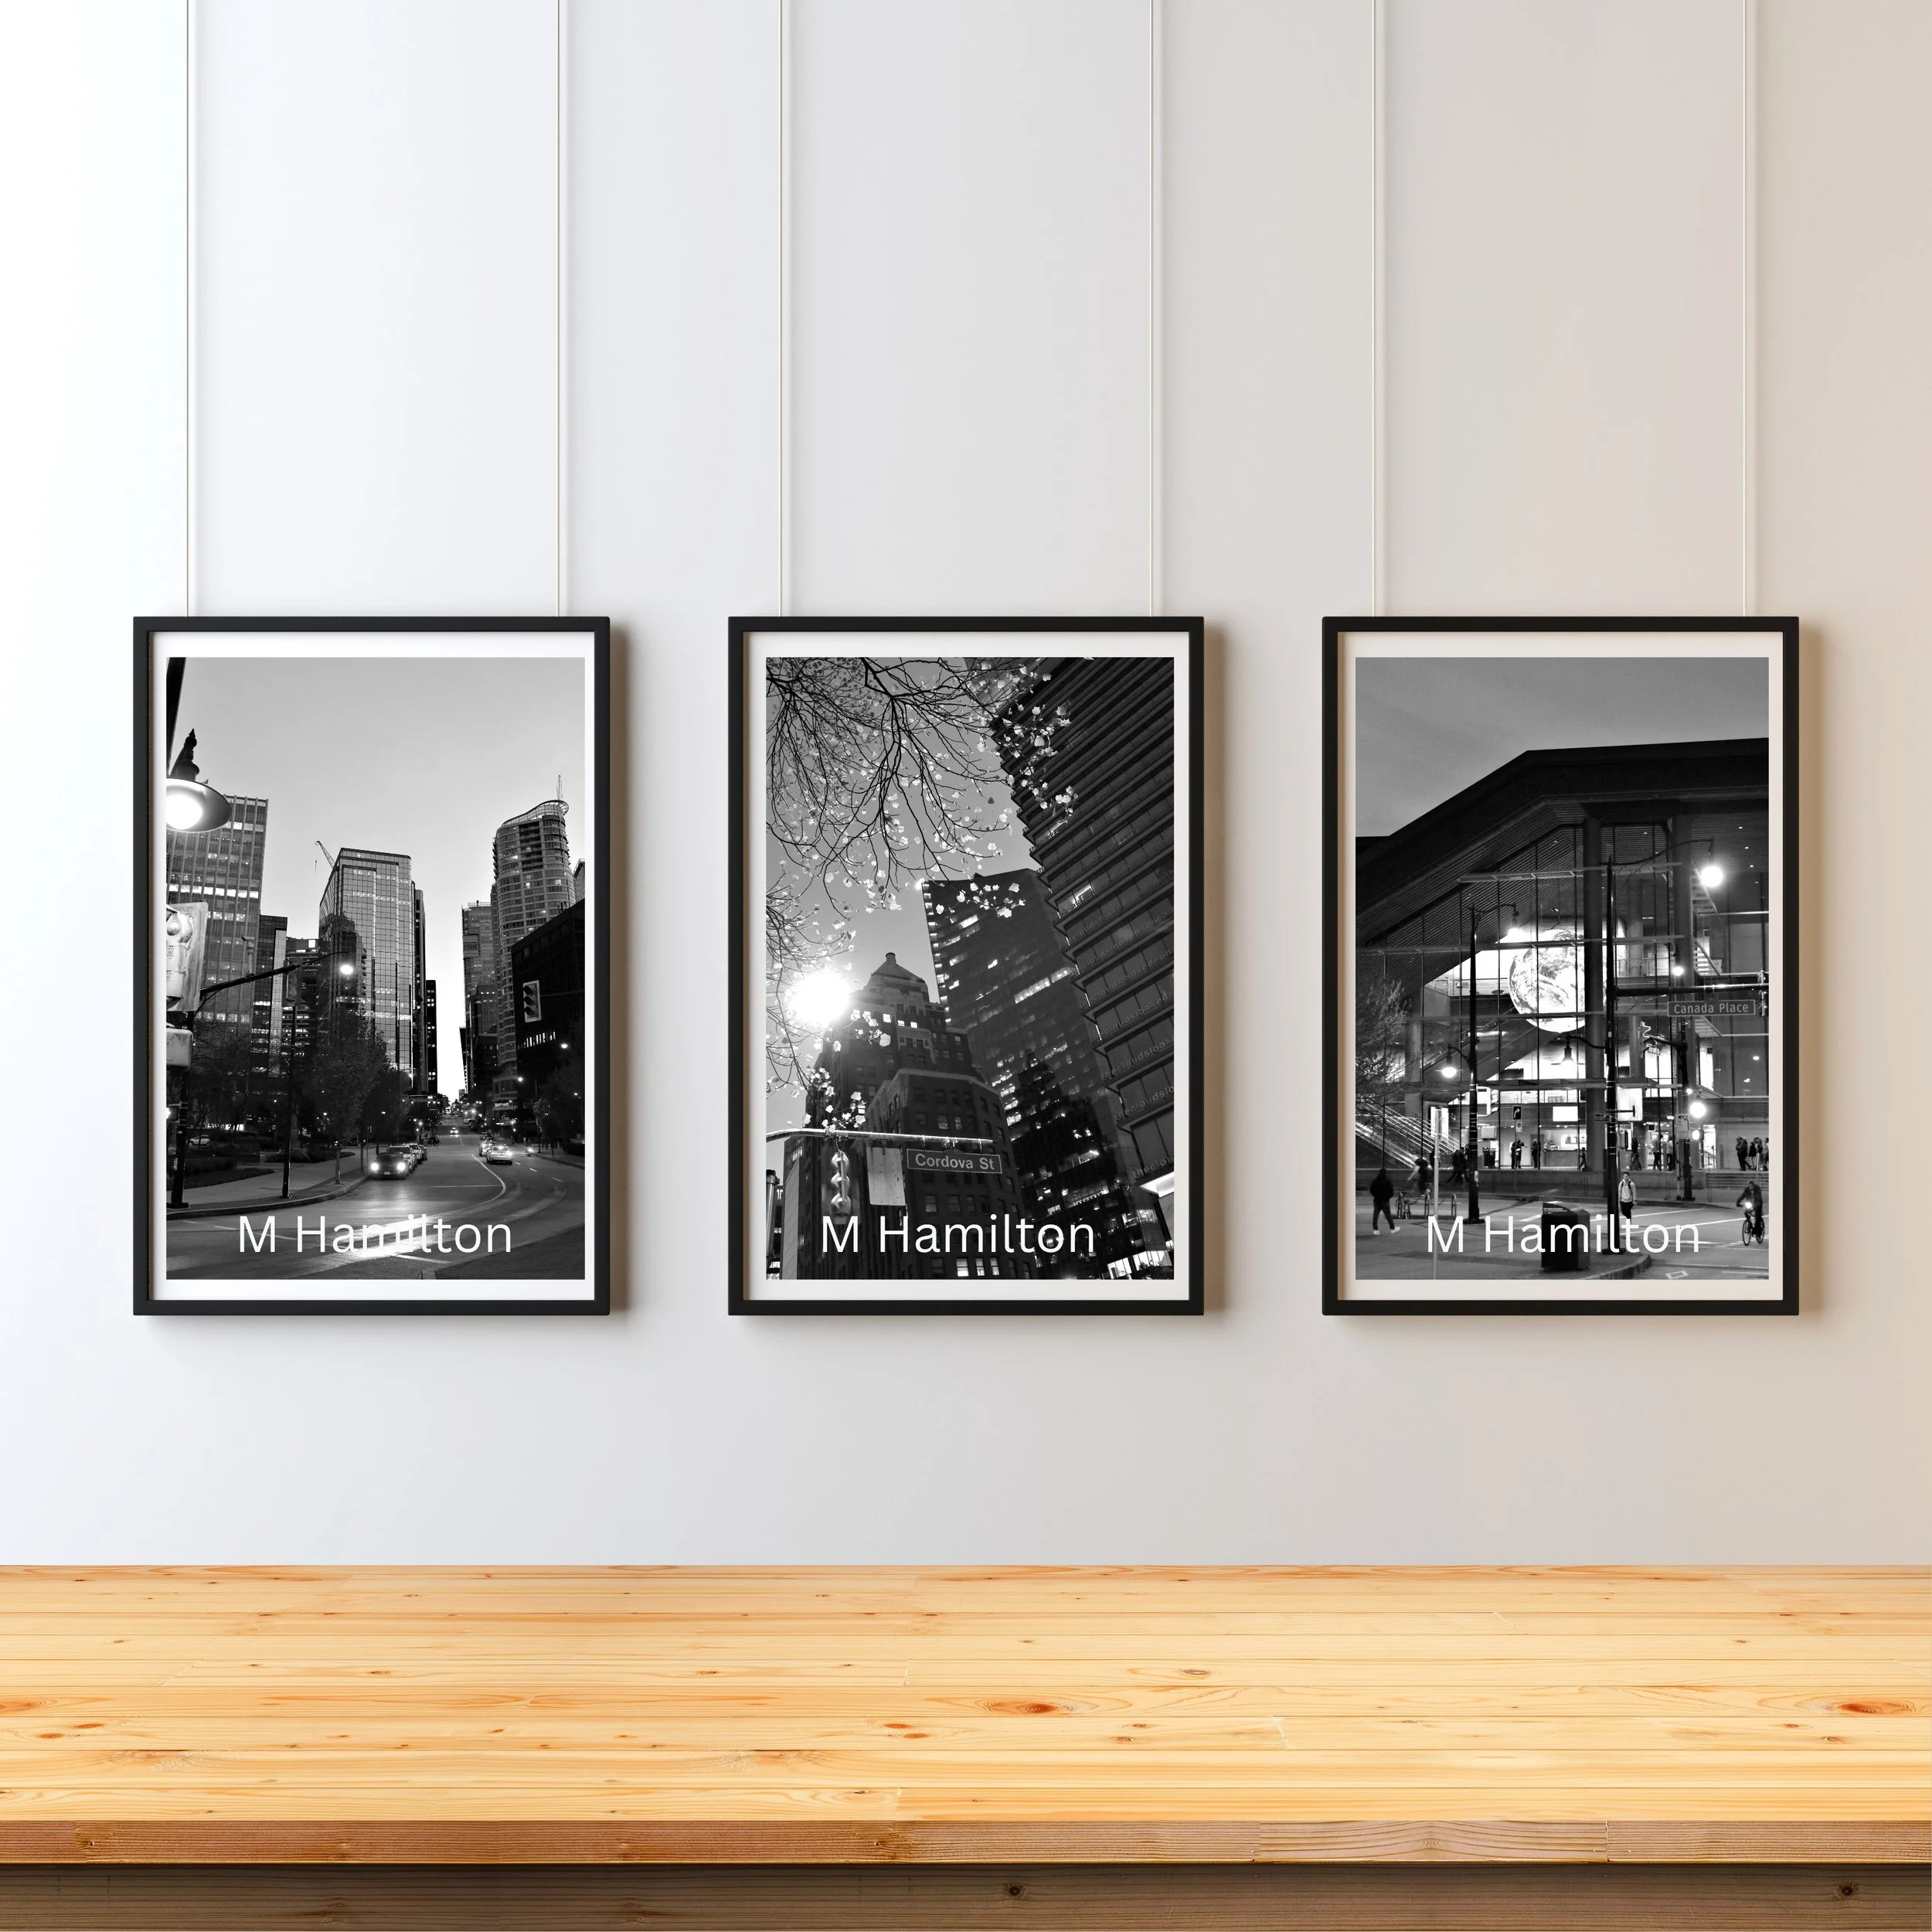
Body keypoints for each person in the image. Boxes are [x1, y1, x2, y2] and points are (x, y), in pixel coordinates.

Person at [1736, 1177, 1765, 1244]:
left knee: (1758, 1218)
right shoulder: (1747, 1189)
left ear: (1754, 1185)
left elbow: (1759, 1199)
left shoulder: (1757, 1189)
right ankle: (1749, 1223)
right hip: (1750, 1204)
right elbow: (1743, 1195)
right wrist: (1738, 1202)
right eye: (1749, 1186)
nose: (1750, 1187)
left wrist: (1754, 1207)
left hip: (1758, 1204)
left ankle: (1758, 1234)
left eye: (1751, 1186)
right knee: (1746, 1212)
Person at [1369, 1167, 1396, 1234]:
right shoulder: (1388, 1181)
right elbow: (1391, 1192)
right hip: (1385, 1200)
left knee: (1376, 1215)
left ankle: (1375, 1229)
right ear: (1386, 1173)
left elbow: (1371, 1190)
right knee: (1388, 1215)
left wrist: (1375, 1196)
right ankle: (1392, 1228)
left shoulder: (1375, 1181)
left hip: (1377, 1200)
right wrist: (1388, 1197)